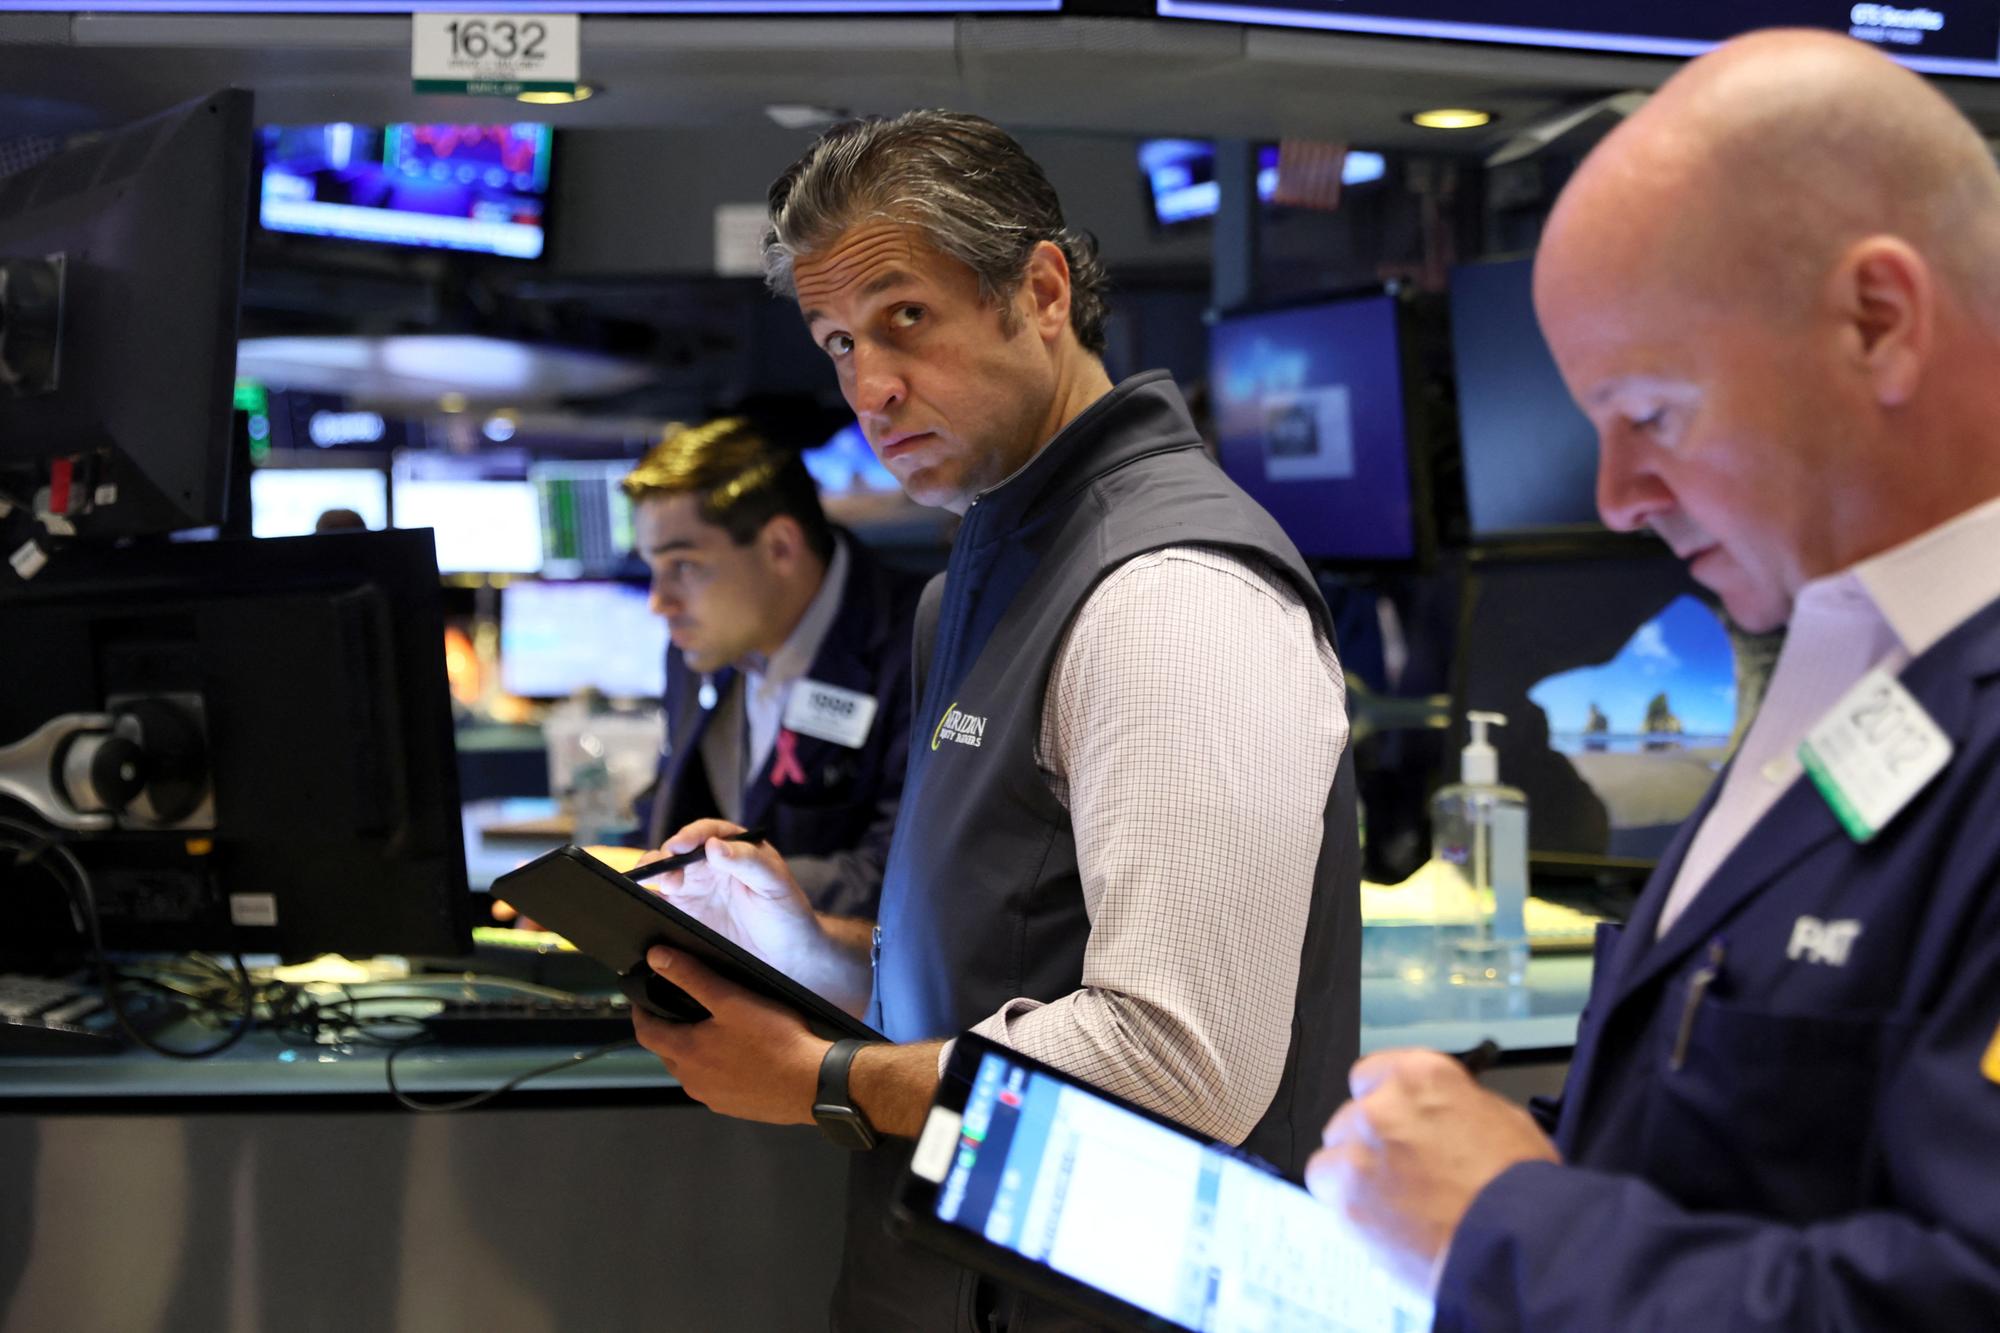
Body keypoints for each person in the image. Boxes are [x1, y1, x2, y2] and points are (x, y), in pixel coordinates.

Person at [1308, 29, 2000, 1328]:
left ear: (1881, 324)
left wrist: (1507, 1224)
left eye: (1654, 412)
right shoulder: (1847, 653)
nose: (1619, 499)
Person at [627, 112, 1361, 1330]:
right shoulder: (984, 568)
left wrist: (825, 1081)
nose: (868, 385)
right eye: (836, 342)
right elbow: (1006, 945)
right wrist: (807, 948)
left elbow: (1182, 1062)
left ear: (1041, 289)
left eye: (902, 317)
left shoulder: (1169, 592)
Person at [623, 417, 925, 919]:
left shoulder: (920, 642)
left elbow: (902, 878)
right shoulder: (696, 646)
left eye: (683, 566)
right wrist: (599, 883)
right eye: (652, 569)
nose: (659, 602)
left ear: (780, 548)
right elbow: (669, 808)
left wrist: (700, 883)